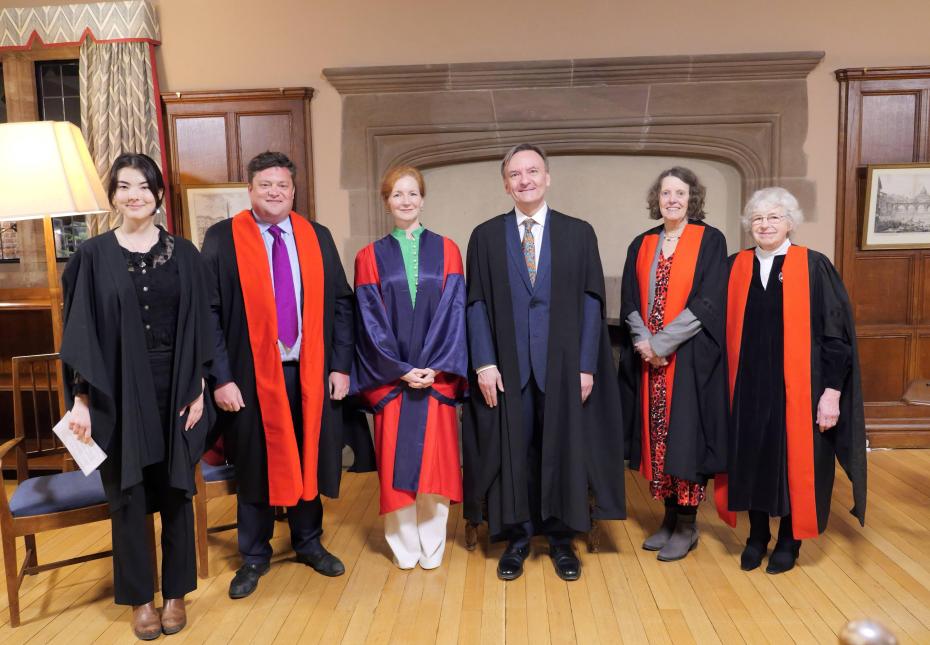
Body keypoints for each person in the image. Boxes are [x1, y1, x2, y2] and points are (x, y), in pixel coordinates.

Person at [61, 153, 214, 640]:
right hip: (117, 387)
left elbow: (203, 325)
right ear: (112, 197)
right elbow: (79, 330)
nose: (135, 195)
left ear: (158, 194)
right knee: (127, 495)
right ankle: (140, 600)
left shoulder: (186, 253)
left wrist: (199, 389)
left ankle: (175, 594)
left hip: (176, 386)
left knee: (175, 492)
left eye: (145, 186)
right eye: (125, 187)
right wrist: (81, 399)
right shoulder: (91, 255)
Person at [462, 143, 625, 583]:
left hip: (564, 362)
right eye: (515, 174)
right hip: (507, 365)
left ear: (547, 177)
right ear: (505, 184)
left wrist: (587, 365)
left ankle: (559, 539)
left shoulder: (578, 232)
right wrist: (483, 363)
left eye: (532, 171)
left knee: (563, 449)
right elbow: (474, 304)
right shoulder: (485, 236)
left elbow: (594, 302)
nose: (525, 180)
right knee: (513, 451)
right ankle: (516, 538)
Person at [201, 151, 357, 599]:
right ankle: (254, 554)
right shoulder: (222, 239)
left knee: (309, 452)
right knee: (255, 462)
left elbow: (342, 304)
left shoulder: (316, 236)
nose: (274, 192)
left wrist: (340, 366)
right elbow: (209, 313)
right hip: (249, 376)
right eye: (265, 184)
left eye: (282, 185)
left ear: (293, 190)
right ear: (250, 189)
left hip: (308, 371)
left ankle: (308, 542)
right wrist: (222, 378)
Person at [716, 187, 866, 573]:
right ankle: (756, 535)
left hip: (798, 391)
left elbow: (836, 337)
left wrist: (831, 393)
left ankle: (789, 540)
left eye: (774, 217)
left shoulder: (813, 266)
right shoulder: (735, 266)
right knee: (751, 459)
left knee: (794, 463)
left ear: (790, 223)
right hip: (747, 388)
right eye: (758, 218)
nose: (764, 225)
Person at [353, 166, 467, 570]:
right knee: (395, 461)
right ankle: (404, 545)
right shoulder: (368, 257)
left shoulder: (449, 250)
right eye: (397, 194)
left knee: (436, 461)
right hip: (394, 381)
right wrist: (400, 369)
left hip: (435, 378)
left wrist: (434, 369)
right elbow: (369, 320)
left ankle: (432, 544)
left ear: (422, 198)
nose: (405, 200)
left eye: (412, 193)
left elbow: (454, 313)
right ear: (386, 202)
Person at [618, 166, 728, 562]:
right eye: (666, 193)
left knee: (686, 440)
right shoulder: (643, 243)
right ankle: (667, 518)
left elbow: (709, 299)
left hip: (689, 359)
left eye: (680, 193)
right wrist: (644, 343)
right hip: (652, 362)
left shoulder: (710, 241)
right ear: (657, 199)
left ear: (692, 198)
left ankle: (687, 524)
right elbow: (629, 299)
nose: (673, 199)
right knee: (658, 440)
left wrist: (663, 342)